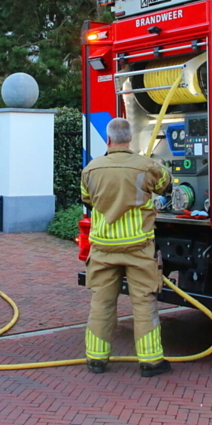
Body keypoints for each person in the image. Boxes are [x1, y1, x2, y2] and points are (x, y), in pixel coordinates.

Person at [81, 117, 172, 377]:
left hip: (103, 247)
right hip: (138, 247)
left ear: (109, 140)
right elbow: (166, 184)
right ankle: (151, 362)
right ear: (130, 138)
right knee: (143, 302)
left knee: (101, 302)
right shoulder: (147, 166)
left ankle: (96, 359)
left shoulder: (91, 169)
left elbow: (87, 199)